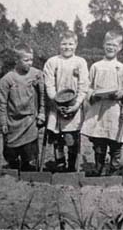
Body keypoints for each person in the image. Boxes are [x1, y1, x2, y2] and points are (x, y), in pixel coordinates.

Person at [81, 30, 123, 176]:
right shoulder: (96, 66)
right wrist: (93, 95)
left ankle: (114, 168)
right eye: (108, 44)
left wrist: (121, 94)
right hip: (98, 109)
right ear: (103, 45)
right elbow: (88, 87)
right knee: (99, 140)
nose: (110, 48)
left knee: (115, 141)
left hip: (114, 109)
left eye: (114, 45)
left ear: (120, 47)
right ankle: (99, 167)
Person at [43, 31, 89, 172]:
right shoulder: (52, 62)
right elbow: (49, 84)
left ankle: (71, 166)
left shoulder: (80, 62)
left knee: (71, 138)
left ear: (76, 45)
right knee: (57, 139)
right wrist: (56, 102)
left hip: (73, 106)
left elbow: (83, 86)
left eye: (70, 44)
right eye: (64, 43)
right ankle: (60, 164)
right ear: (59, 44)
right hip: (56, 106)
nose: (67, 47)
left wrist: (76, 105)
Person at [0, 43, 45, 171]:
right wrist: (3, 123)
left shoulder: (37, 74)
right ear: (16, 60)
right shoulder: (7, 80)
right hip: (13, 122)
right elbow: (1, 103)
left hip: (29, 121)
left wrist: (42, 113)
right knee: (11, 154)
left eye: (31, 60)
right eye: (26, 60)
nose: (29, 63)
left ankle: (28, 172)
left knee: (29, 155)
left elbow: (43, 96)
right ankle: (13, 172)